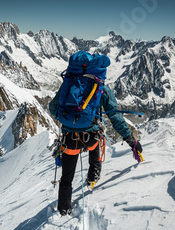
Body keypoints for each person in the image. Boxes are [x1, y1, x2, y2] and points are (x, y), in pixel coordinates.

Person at [49, 73, 142, 216]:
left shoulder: (69, 84)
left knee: (66, 178)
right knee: (95, 147)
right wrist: (131, 141)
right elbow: (115, 118)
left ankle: (64, 209)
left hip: (70, 141)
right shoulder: (102, 88)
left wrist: (70, 120)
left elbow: (53, 108)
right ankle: (93, 177)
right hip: (91, 138)